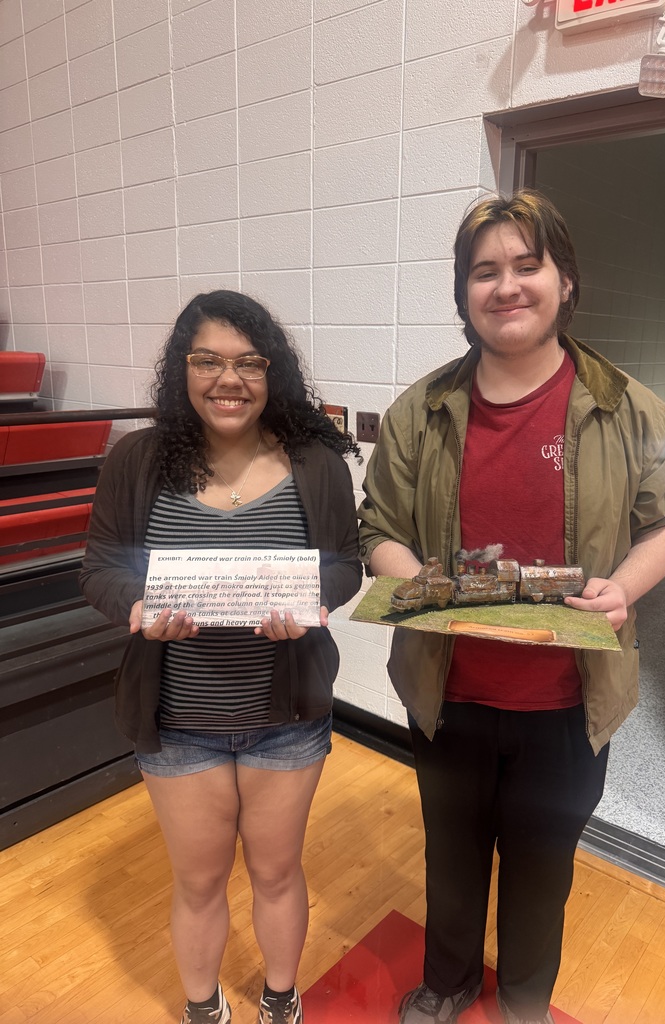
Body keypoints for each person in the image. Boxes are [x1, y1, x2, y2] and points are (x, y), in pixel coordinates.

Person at [357, 191, 665, 1024]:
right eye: (484, 272)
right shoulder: (418, 414)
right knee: (453, 855)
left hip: (569, 700)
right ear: (464, 292)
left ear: (565, 281)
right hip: (450, 690)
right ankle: (450, 982)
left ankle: (527, 1001)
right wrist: (422, 585)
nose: (506, 286)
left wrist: (625, 588)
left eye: (526, 264)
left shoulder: (631, 409)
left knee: (544, 863)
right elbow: (378, 529)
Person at [80, 290, 362, 1024]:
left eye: (248, 363)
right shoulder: (137, 460)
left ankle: (279, 998)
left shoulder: (315, 462)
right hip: (177, 719)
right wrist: (136, 609)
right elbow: (102, 566)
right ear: (182, 370)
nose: (227, 379)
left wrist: (305, 609)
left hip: (287, 715)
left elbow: (343, 565)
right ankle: (203, 1009)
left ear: (273, 374)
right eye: (207, 360)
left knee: (275, 871)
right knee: (199, 881)